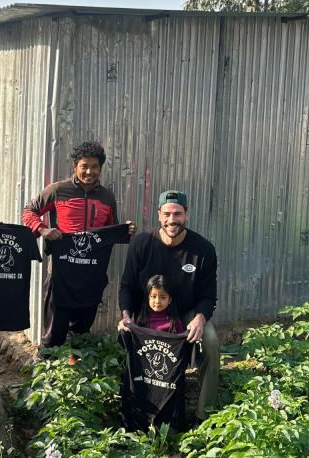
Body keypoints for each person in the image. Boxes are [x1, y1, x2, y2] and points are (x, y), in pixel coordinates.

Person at [22, 141, 136, 347]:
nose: (89, 171)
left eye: (95, 167)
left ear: (101, 168)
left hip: (92, 273)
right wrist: (43, 229)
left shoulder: (106, 196)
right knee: (55, 326)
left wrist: (124, 231)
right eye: (84, 166)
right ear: (75, 166)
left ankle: (76, 365)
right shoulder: (57, 190)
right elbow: (29, 212)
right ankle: (47, 362)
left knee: (82, 328)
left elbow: (109, 230)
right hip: (61, 270)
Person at [118, 190, 219, 423]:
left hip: (186, 311)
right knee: (127, 341)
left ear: (187, 215)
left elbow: (208, 296)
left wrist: (200, 319)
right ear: (159, 215)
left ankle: (205, 414)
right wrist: (125, 316)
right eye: (167, 214)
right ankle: (134, 405)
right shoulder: (142, 243)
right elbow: (127, 287)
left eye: (178, 214)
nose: (172, 220)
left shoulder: (203, 250)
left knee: (212, 343)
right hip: (149, 312)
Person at [120, 275, 190, 432]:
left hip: (164, 382)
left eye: (162, 297)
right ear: (148, 297)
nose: (157, 301)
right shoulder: (141, 320)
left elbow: (180, 350)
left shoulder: (175, 323)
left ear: (170, 300)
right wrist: (127, 330)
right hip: (143, 379)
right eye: (153, 296)